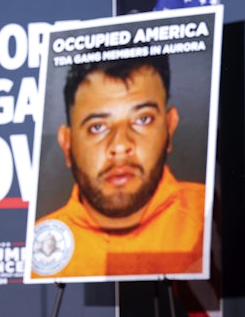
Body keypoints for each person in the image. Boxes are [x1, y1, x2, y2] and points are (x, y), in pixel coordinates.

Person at [31, 54, 206, 278]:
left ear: (169, 128)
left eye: (142, 119)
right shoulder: (38, 251)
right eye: (97, 127)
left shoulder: (210, 218)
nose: (121, 146)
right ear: (67, 144)